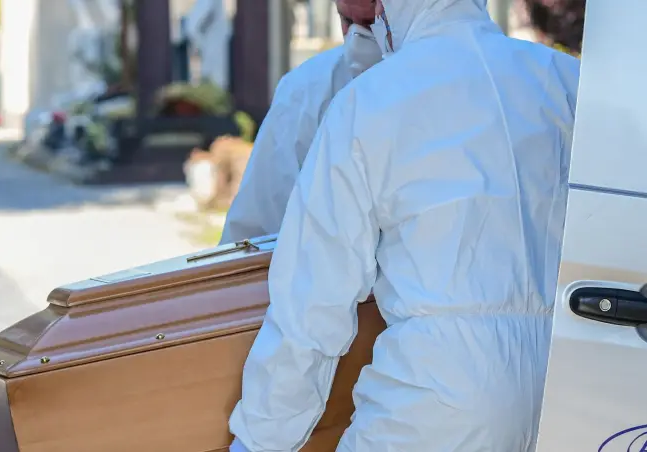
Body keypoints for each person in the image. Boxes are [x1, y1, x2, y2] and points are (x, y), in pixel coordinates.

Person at [228, 0, 580, 450]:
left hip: (436, 399)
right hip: (567, 393)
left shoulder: (369, 100)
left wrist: (259, 441)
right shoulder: (566, 82)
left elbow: (311, 307)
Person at [219, 0, 381, 244]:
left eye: (372, 24)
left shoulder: (441, 88)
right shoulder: (306, 91)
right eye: (346, 21)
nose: (357, 39)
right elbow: (256, 231)